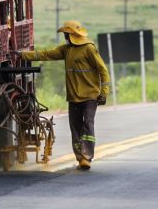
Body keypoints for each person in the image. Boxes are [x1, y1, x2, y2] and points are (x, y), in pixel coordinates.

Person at [17, 20, 110, 170]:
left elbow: (103, 71)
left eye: (66, 34)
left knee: (88, 125)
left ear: (71, 35)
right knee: (75, 128)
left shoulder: (89, 49)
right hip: (73, 97)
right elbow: (46, 54)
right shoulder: (67, 50)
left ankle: (87, 156)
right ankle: (80, 157)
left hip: (90, 97)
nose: (65, 37)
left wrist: (103, 93)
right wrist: (22, 55)